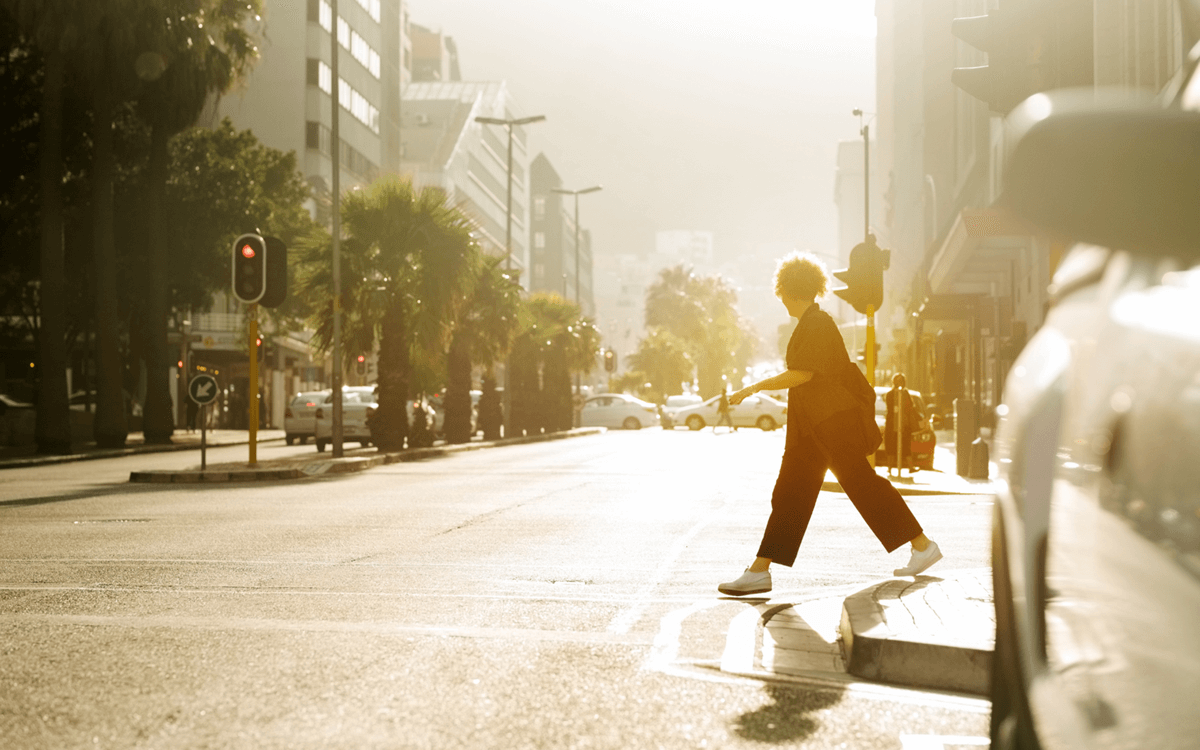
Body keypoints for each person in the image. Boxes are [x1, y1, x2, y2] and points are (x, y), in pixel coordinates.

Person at [717, 252, 941, 596]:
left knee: (862, 485)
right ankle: (760, 570)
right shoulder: (812, 323)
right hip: (812, 429)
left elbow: (803, 373)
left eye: (782, 292)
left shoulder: (817, 324)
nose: (781, 299)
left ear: (792, 290)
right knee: (790, 494)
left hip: (830, 426)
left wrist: (755, 386)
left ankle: (922, 545)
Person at [885, 373, 922, 476]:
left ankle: (910, 467)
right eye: (898, 381)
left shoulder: (905, 394)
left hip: (904, 425)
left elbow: (910, 408)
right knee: (891, 446)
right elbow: (890, 408)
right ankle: (889, 468)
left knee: (906, 446)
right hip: (892, 424)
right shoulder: (890, 394)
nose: (899, 383)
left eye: (901, 381)